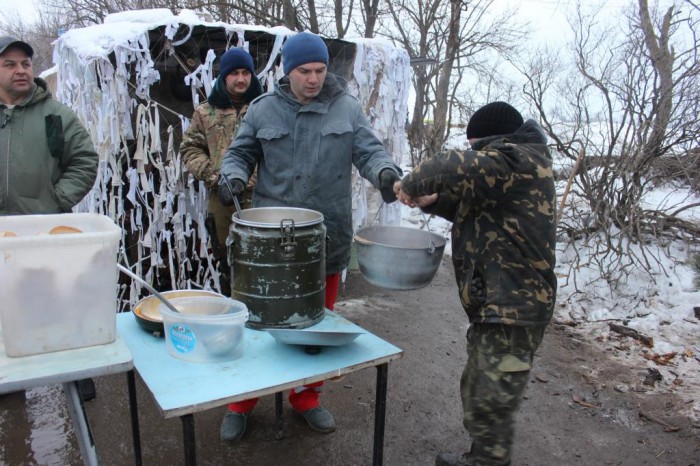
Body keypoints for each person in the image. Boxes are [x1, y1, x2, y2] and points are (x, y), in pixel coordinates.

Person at [217, 32, 403, 442]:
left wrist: (386, 175)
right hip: (268, 242)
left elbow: (371, 152)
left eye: (320, 70)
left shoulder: (346, 109)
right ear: (289, 71)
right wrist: (230, 175)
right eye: (305, 71)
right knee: (254, 327)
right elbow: (240, 153)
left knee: (315, 326)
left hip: (325, 238)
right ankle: (240, 403)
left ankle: (306, 398)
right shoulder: (263, 110)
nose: (314, 78)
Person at [396, 101, 557, 466]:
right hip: (498, 305)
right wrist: (432, 199)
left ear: (492, 142)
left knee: (492, 402)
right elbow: (471, 204)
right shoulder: (508, 170)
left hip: (514, 307)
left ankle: (488, 463)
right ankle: (481, 457)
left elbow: (454, 166)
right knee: (480, 390)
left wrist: (410, 183)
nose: (473, 153)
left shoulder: (517, 160)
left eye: (475, 147)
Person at [0, 36, 99, 400]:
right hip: (1, 236)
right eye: (9, 64)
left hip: (45, 228)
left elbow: (85, 160)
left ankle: (76, 371)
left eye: (25, 63)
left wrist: (57, 200)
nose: (21, 70)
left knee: (60, 299)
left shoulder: (55, 115)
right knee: (6, 303)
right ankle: (9, 373)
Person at [180, 47, 263, 296]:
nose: (241, 79)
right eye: (235, 73)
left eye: (246, 73)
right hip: (223, 199)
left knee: (262, 260)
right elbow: (190, 148)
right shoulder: (206, 112)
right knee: (229, 262)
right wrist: (213, 176)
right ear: (224, 76)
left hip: (262, 198)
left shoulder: (264, 108)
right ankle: (234, 309)